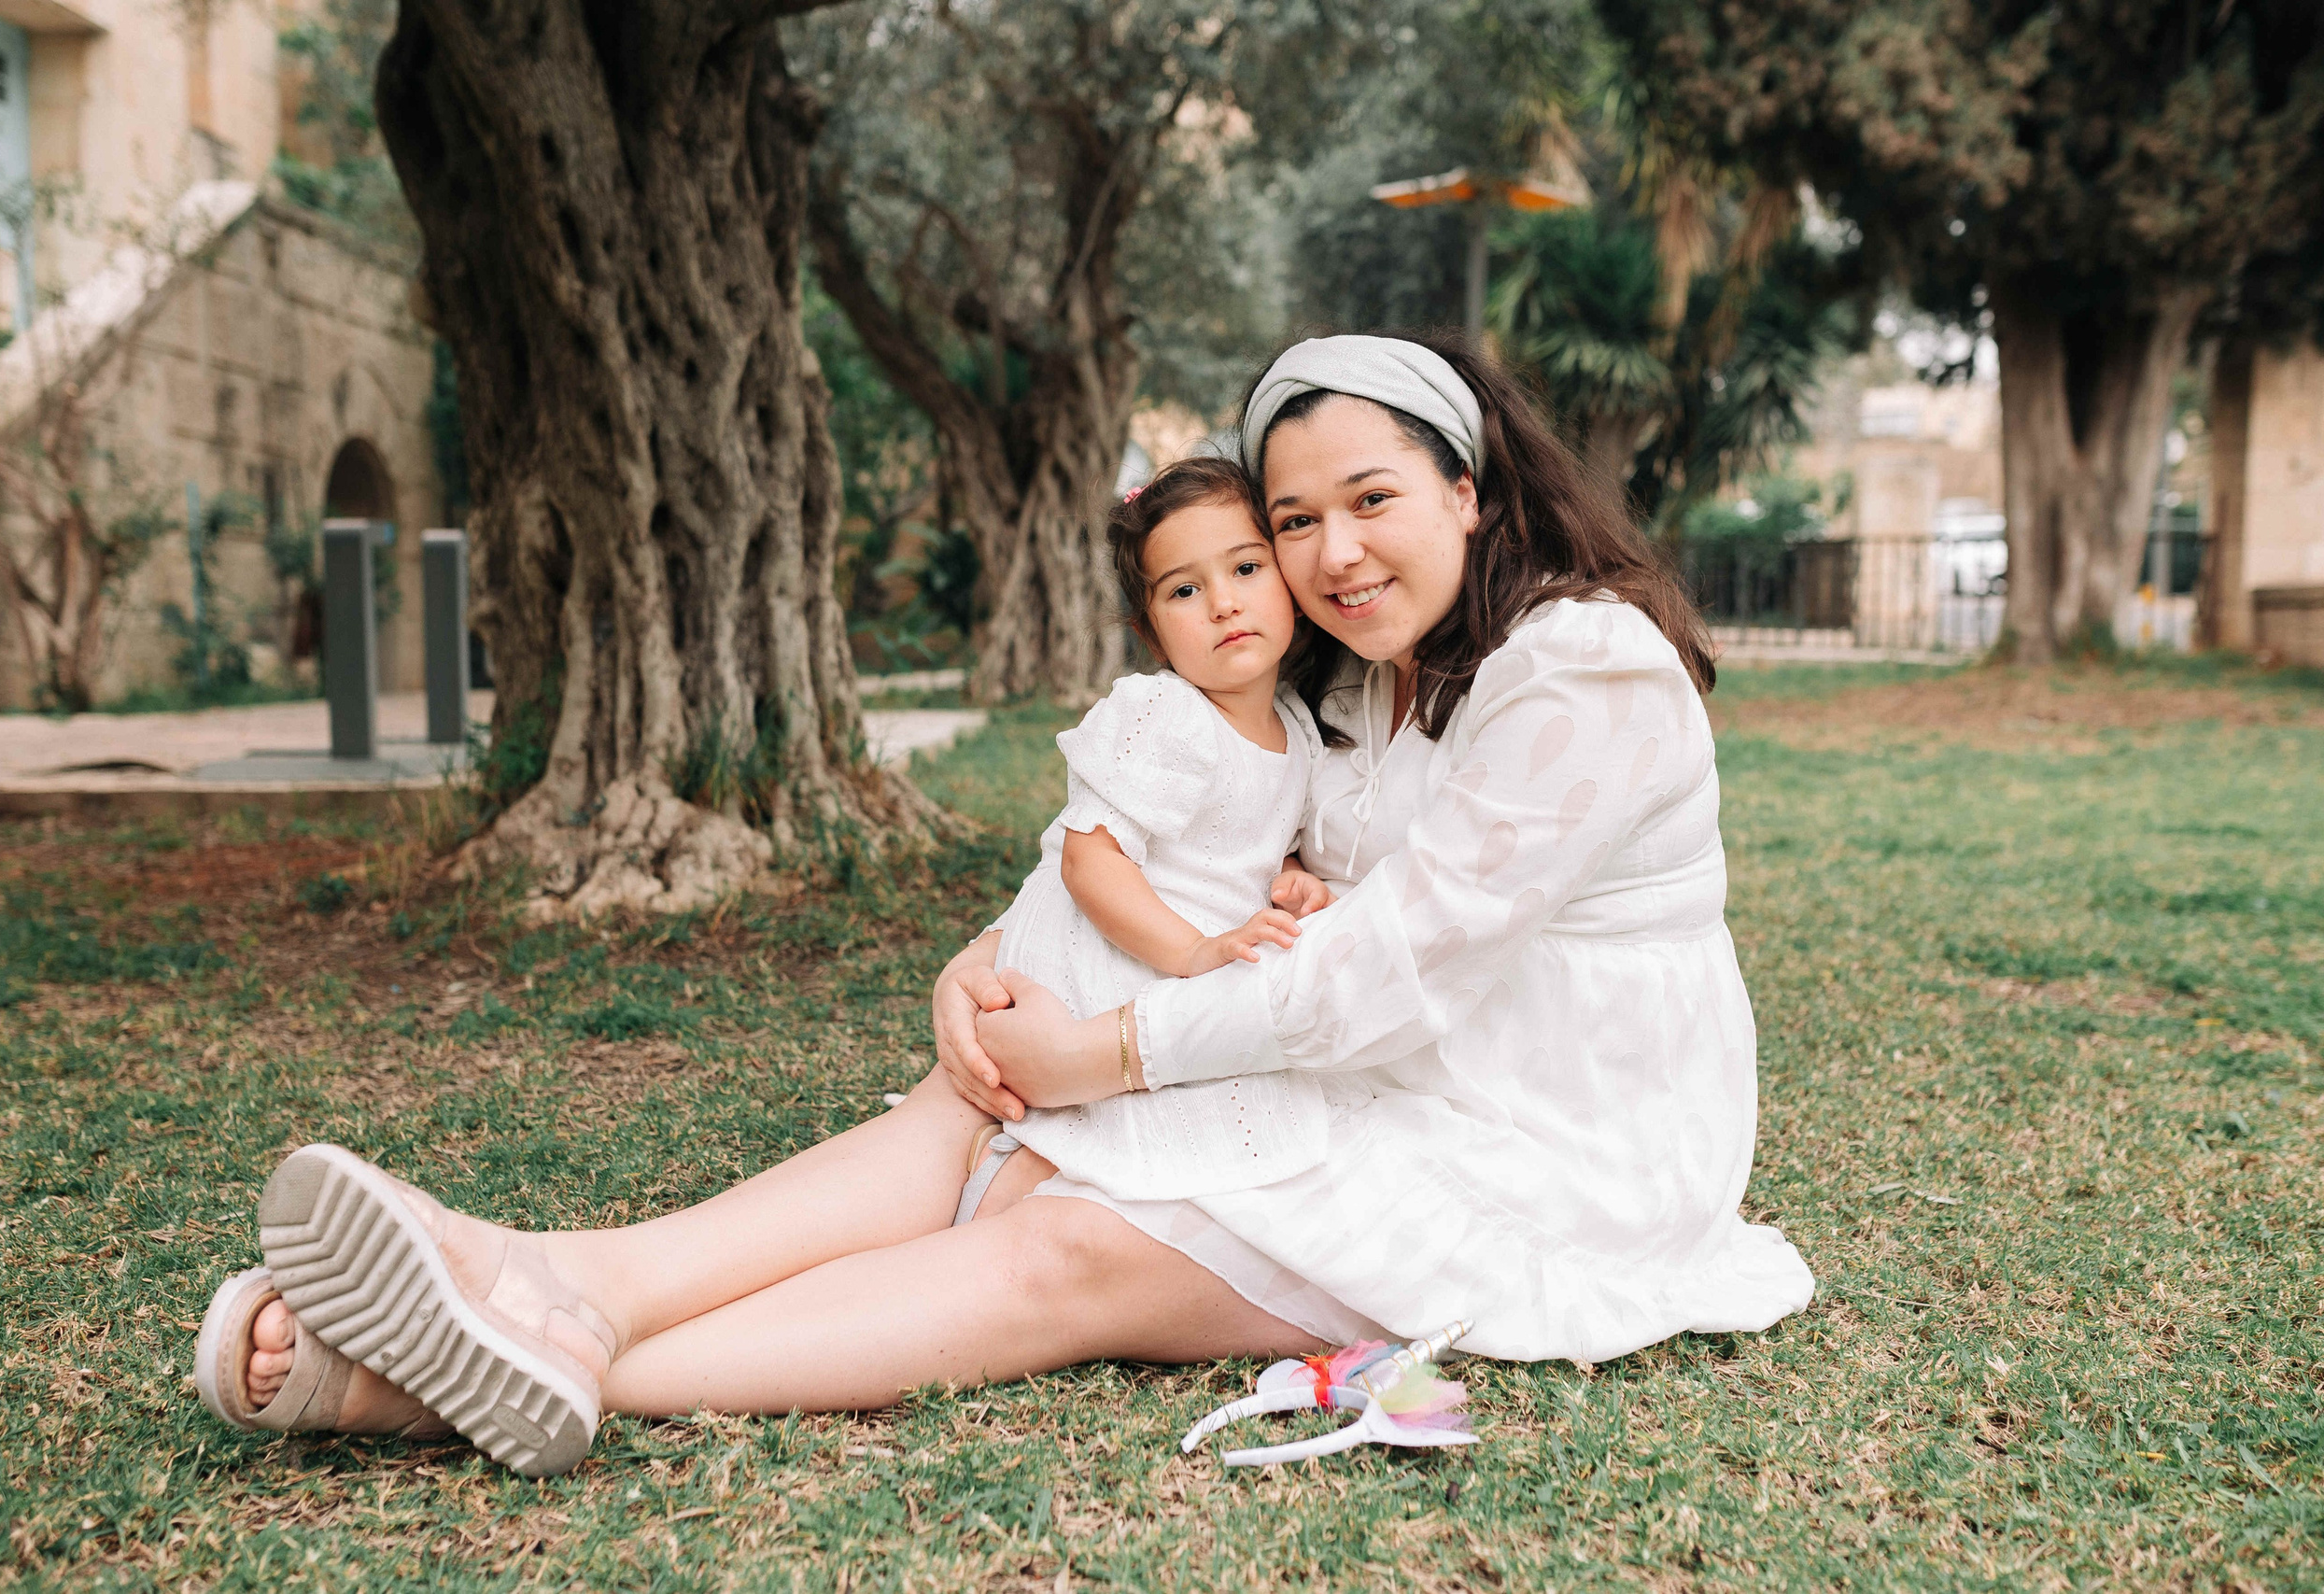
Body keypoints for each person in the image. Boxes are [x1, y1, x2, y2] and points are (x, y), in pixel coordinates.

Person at [191, 331, 1813, 1478]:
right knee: (969, 1122)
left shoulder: (1584, 667)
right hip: (1396, 1079)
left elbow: (1387, 975)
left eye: (1371, 499)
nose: (1329, 551)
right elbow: (1196, 856)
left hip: (1552, 1151)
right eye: (1295, 518)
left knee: (1064, 1244)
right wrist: (986, 965)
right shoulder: (1368, 683)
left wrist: (1099, 1050)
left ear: (1470, 486)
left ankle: (459, 1375)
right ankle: (553, 1275)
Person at [970, 453, 1338, 1212]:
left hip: (1172, 961)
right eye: (1185, 589)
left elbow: (1258, 831)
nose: (1223, 604)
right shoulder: (1166, 714)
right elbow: (1091, 860)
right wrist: (1193, 951)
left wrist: (1292, 872)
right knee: (1106, 1133)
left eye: (1245, 568)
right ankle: (1000, 1181)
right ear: (1151, 628)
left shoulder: (1296, 724)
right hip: (1110, 954)